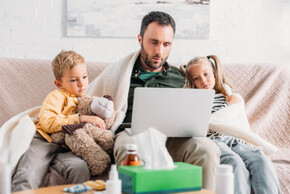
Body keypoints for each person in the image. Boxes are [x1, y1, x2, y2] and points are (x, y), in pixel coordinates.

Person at [87, 11, 220, 190]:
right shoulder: (118, 72)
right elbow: (88, 99)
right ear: (140, 39)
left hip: (174, 138)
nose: (160, 51)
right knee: (129, 149)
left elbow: (204, 100)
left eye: (166, 44)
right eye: (154, 42)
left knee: (206, 149)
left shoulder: (180, 76)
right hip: (131, 134)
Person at [184, 55, 281, 194]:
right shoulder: (195, 100)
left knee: (261, 159)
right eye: (197, 78)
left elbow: (234, 119)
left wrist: (226, 107)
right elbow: (199, 124)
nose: (203, 80)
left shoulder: (230, 96)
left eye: (206, 74)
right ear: (192, 82)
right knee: (234, 162)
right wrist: (218, 115)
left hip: (234, 139)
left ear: (214, 73)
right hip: (213, 140)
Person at [12, 50, 106, 191]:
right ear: (59, 83)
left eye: (85, 77)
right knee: (29, 173)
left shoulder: (87, 101)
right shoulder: (57, 96)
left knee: (79, 168)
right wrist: (80, 118)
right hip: (45, 141)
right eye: (74, 80)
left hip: (67, 147)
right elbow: (48, 122)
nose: (82, 84)